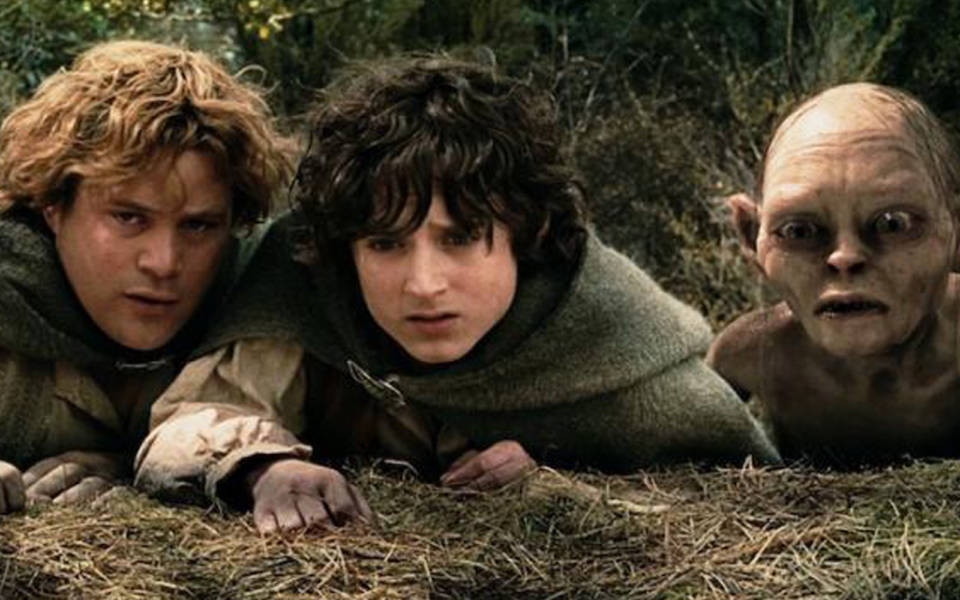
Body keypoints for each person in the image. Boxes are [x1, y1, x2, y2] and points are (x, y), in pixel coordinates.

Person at [135, 55, 779, 533]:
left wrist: (563, 482)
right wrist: (262, 467)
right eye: (385, 244)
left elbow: (739, 488)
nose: (424, 283)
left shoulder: (605, 327)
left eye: (461, 237)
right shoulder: (307, 292)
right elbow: (184, 424)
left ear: (525, 234)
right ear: (344, 249)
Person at [0, 40, 291, 514]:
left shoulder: (252, 307)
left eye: (198, 226)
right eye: (128, 217)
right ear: (53, 205)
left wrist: (123, 464)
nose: (164, 263)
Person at [709, 82, 960, 464]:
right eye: (799, 231)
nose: (845, 257)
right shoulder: (751, 356)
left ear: (954, 227)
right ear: (751, 235)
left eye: (893, 223)